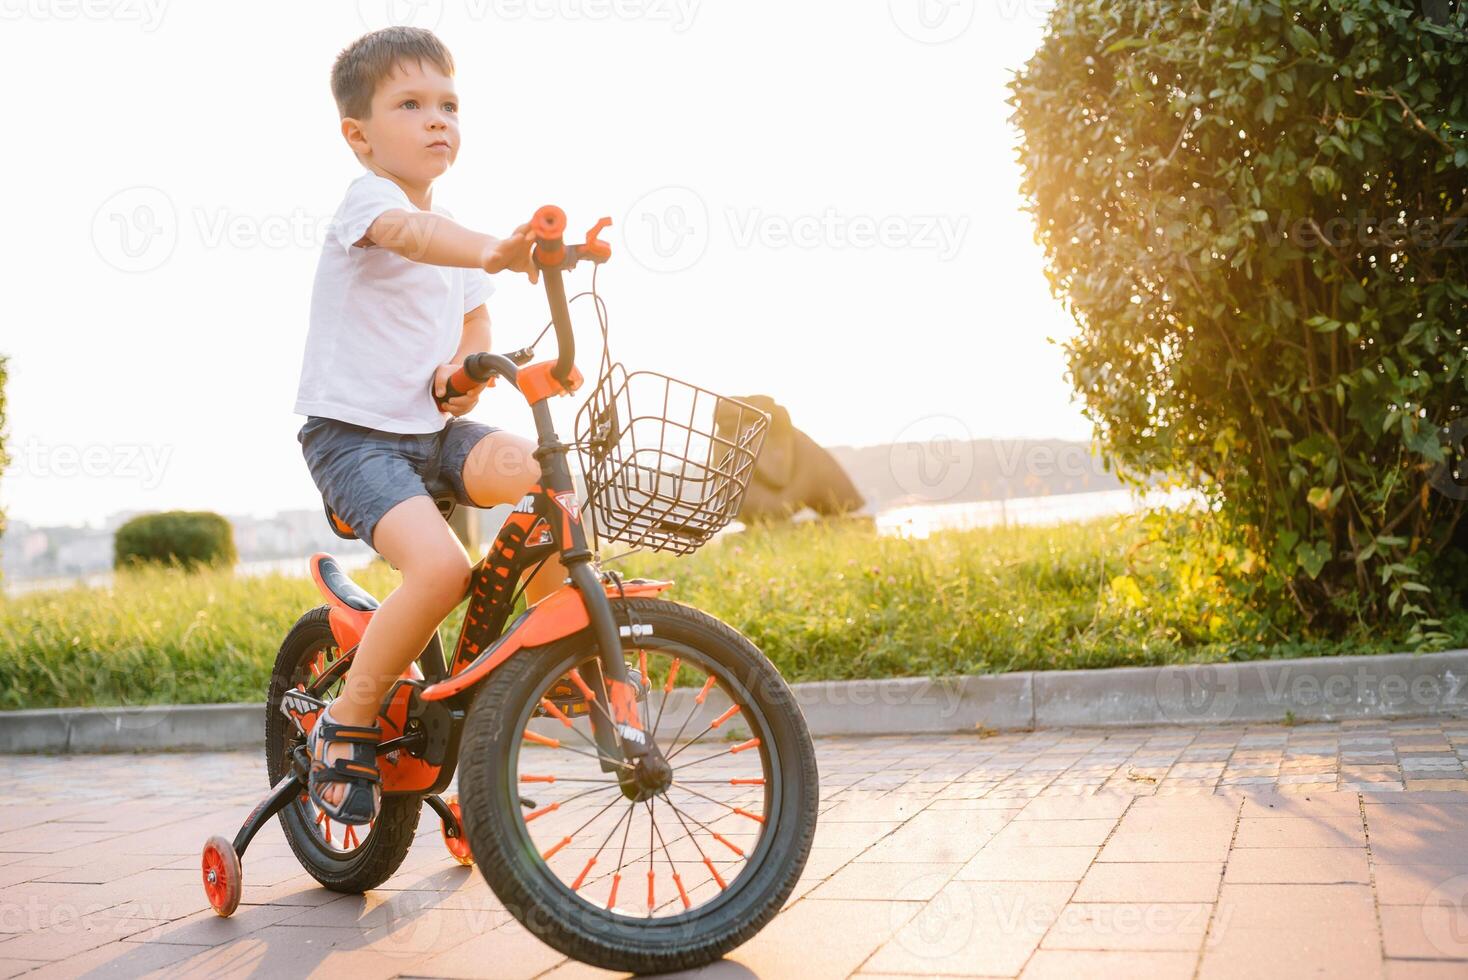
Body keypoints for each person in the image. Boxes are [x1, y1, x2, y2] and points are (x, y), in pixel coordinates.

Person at [292, 26, 559, 825]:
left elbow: (474, 320)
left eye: (448, 104)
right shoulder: (371, 202)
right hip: (353, 437)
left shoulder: (464, 244)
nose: (437, 119)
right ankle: (347, 723)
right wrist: (501, 249)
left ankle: (559, 652)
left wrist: (466, 370)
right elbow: (417, 237)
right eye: (410, 104)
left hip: (431, 434)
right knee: (441, 572)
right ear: (360, 135)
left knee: (544, 480)